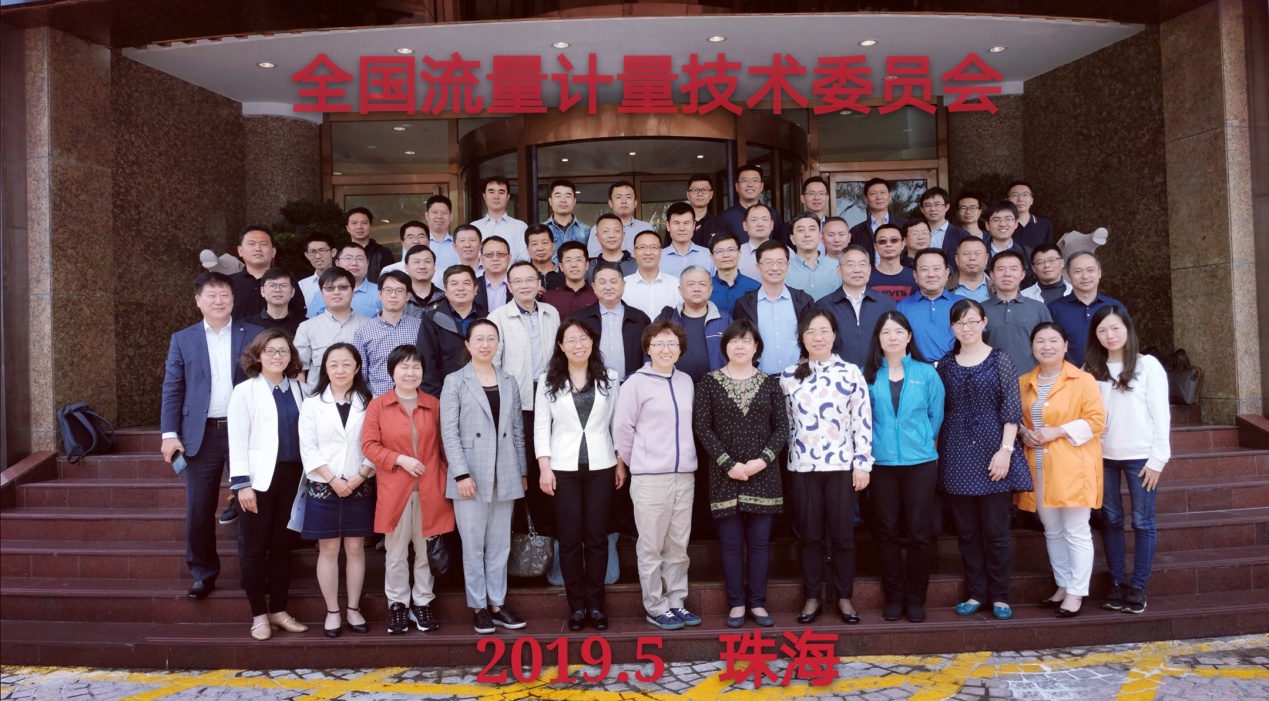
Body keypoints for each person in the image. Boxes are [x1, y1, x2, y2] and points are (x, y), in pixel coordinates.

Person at [161, 272, 265, 599]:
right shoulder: (183, 339)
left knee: (251, 505)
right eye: (211, 295)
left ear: (233, 299)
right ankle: (203, 574)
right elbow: (173, 388)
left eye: (224, 295)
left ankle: (252, 573)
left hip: (245, 434)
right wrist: (169, 434)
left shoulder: (255, 334)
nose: (218, 301)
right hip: (201, 435)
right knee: (199, 510)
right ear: (198, 301)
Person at [936, 299, 1032, 621]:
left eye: (972, 321)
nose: (967, 328)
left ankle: (1000, 595)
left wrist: (1005, 451)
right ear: (952, 327)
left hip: (995, 452)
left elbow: (1011, 408)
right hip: (956, 453)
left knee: (996, 531)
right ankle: (977, 592)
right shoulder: (945, 365)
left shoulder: (1000, 360)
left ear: (984, 323)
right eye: (960, 323)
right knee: (967, 532)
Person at [780, 309, 873, 626]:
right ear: (802, 338)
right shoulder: (789, 376)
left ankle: (844, 596)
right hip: (803, 468)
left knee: (843, 535)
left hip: (842, 466)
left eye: (823, 331)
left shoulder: (851, 372)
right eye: (810, 332)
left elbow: (862, 420)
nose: (817, 337)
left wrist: (862, 463)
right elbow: (785, 424)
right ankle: (812, 596)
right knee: (809, 536)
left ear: (834, 335)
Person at [693, 320, 787, 628]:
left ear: (756, 347)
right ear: (725, 347)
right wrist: (728, 463)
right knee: (730, 542)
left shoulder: (770, 383)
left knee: (759, 542)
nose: (740, 346)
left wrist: (762, 461)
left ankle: (757, 603)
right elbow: (702, 427)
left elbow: (782, 428)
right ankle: (736, 603)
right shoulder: (709, 383)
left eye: (746, 341)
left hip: (764, 474)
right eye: (734, 341)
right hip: (725, 475)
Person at [534, 319, 624, 632]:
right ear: (561, 346)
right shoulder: (548, 380)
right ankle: (576, 607)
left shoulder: (610, 378)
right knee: (570, 538)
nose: (578, 345)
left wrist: (620, 461)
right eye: (570, 340)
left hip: (602, 465)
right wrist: (544, 467)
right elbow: (541, 426)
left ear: (592, 342)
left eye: (583, 338)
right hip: (562, 467)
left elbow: (616, 423)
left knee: (597, 537)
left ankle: (596, 605)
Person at [440, 319, 528, 634]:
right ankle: (479, 607)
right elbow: (449, 432)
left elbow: (517, 430)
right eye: (479, 338)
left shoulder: (508, 381)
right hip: (470, 474)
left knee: (500, 544)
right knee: (473, 545)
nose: (485, 344)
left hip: (505, 471)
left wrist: (522, 471)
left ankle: (497, 604)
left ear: (498, 344)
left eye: (491, 338)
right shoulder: (455, 381)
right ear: (467, 344)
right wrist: (461, 473)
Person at [613, 320, 701, 631]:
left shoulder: (686, 381)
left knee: (678, 545)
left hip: (684, 475)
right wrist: (636, 461)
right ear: (648, 349)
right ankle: (656, 605)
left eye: (672, 343)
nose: (666, 349)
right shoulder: (635, 383)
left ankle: (676, 601)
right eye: (659, 344)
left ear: (680, 349)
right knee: (651, 546)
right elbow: (622, 428)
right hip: (650, 477)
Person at [361, 344, 455, 635]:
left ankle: (422, 602)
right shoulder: (379, 405)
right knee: (396, 552)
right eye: (404, 366)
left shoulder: (433, 404)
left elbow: (445, 447)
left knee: (427, 551)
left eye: (416, 367)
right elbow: (369, 446)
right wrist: (399, 459)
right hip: (395, 490)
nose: (410, 372)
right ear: (392, 371)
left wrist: (443, 476)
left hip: (431, 489)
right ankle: (398, 604)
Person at [1085, 306, 1169, 615]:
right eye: (1102, 330)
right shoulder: (1090, 368)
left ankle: (1138, 587)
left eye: (1115, 328)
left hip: (1141, 458)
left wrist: (1158, 459)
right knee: (1111, 520)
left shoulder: (1148, 366)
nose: (1109, 335)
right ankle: (1117, 583)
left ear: (1128, 329)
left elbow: (1162, 415)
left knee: (1143, 521)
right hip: (1102, 457)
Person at [1018, 322, 1105, 618]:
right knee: (1052, 530)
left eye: (1054, 340)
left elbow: (1096, 422)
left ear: (1066, 346)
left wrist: (1057, 431)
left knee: (1076, 530)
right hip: (1039, 467)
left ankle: (1076, 592)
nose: (1047, 346)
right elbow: (1018, 420)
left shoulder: (1083, 380)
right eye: (1040, 341)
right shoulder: (1024, 382)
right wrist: (1023, 433)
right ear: (1032, 347)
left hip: (1072, 468)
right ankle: (1063, 584)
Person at [226, 328, 308, 640]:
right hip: (258, 482)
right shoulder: (244, 391)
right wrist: (241, 484)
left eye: (283, 351)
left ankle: (279, 611)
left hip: (293, 479)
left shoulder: (301, 390)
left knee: (283, 547)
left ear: (291, 356)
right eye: (270, 350)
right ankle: (259, 615)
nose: (277, 356)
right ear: (258, 355)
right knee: (255, 549)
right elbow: (237, 440)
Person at [862, 311, 944, 623]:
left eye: (899, 331)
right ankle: (894, 597)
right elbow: (861, 419)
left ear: (909, 336)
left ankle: (916, 598)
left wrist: (922, 441)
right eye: (886, 332)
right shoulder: (867, 375)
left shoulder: (926, 373)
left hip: (920, 463)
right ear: (878, 338)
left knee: (919, 532)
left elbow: (936, 416)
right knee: (886, 532)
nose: (893, 337)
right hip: (881, 464)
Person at [298, 343, 376, 638]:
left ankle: (353, 608)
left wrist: (360, 476)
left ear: (357, 368)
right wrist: (333, 480)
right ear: (325, 369)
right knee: (328, 549)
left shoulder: (370, 402)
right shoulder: (312, 404)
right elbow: (308, 448)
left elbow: (377, 443)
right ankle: (333, 611)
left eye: (346, 364)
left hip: (360, 482)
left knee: (355, 548)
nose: (340, 370)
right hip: (324, 485)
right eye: (333, 364)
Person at [490, 260, 562, 540]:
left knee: (551, 462)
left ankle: (549, 533)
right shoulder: (498, 317)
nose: (524, 285)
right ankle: (526, 533)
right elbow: (494, 362)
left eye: (530, 280)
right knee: (524, 467)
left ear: (538, 283)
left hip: (551, 397)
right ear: (509, 286)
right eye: (517, 281)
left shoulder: (551, 313)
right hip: (517, 401)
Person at [732, 240, 816, 375]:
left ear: (788, 265)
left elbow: (813, 338)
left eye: (780, 262)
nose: (775, 268)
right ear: (757, 266)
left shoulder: (803, 301)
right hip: (758, 378)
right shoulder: (744, 304)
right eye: (768, 263)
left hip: (798, 378)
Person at [818, 244, 897, 368]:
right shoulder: (824, 305)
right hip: (838, 374)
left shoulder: (886, 303)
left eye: (862, 264)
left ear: (869, 269)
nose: (857, 270)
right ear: (839, 270)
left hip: (879, 372)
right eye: (850, 265)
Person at [294, 268, 370, 395]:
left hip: (359, 398)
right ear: (321, 293)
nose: (336, 292)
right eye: (329, 288)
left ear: (353, 292)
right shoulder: (307, 327)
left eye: (343, 287)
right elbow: (298, 370)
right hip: (318, 399)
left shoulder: (369, 326)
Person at [571, 263, 651, 381]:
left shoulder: (640, 318)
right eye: (602, 282)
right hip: (591, 385)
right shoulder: (579, 319)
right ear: (593, 287)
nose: (608, 287)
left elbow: (649, 356)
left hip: (632, 385)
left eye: (613, 282)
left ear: (623, 285)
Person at [417, 265, 487, 398]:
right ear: (445, 290)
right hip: (445, 395)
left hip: (484, 394)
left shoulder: (488, 317)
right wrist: (438, 399)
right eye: (454, 284)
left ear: (475, 289)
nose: (460, 288)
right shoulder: (432, 319)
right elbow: (427, 363)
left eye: (466, 283)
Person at [1047, 251, 1123, 367]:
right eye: (1078, 271)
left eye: (1090, 270)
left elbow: (1127, 342)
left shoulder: (1115, 306)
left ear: (1099, 273)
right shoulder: (1054, 309)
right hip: (1068, 375)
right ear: (1068, 276)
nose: (1085, 276)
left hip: (1110, 374)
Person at [353, 271, 422, 398]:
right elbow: (361, 374)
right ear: (380, 294)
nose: (393, 295)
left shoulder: (420, 327)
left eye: (399, 291)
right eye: (388, 290)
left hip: (414, 398)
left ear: (407, 296)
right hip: (378, 399)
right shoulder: (363, 332)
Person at [984, 250, 1053, 375]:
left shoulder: (1038, 308)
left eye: (1013, 269)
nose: (1007, 274)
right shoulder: (979, 310)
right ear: (992, 275)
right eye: (1001, 269)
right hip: (990, 380)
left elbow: (1050, 346)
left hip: (1031, 380)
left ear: (1022, 275)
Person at [654, 267, 729, 381]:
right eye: (691, 284)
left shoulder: (724, 319)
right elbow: (650, 354)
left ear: (710, 289)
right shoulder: (666, 319)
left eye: (702, 284)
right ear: (680, 290)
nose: (696, 289)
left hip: (716, 387)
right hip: (673, 386)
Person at [896, 248, 965, 361]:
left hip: (957, 368)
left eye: (936, 269)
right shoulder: (901, 307)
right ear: (915, 275)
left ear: (946, 273)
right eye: (924, 269)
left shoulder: (964, 304)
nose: (931, 274)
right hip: (916, 369)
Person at [231, 225, 305, 321]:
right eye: (251, 243)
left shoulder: (287, 282)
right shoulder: (228, 283)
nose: (257, 248)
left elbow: (299, 316)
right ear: (240, 251)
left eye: (263, 244)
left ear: (273, 251)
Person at [308, 243, 383, 319]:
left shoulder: (381, 292)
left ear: (367, 263)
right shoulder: (323, 294)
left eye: (360, 259)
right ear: (337, 263)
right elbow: (311, 323)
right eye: (348, 258)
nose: (354, 263)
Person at [622, 230, 682, 320]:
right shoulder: (622, 285)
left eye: (653, 247)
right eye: (642, 247)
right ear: (634, 252)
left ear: (661, 251)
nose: (648, 252)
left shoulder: (676, 285)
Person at [723, 164, 785, 244]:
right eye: (744, 180)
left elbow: (780, 243)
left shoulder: (773, 214)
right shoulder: (725, 217)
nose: (750, 185)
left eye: (755, 180)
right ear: (737, 186)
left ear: (761, 186)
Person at [588, 181, 652, 257]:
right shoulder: (597, 228)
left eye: (628, 197)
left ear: (635, 203)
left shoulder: (646, 228)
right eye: (618, 197)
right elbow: (594, 257)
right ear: (610, 203)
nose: (624, 201)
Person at [785, 213, 840, 301]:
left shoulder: (837, 267)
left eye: (812, 229)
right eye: (801, 230)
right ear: (792, 239)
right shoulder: (784, 269)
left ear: (820, 236)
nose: (807, 234)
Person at [472, 176, 528, 262]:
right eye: (491, 192)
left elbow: (524, 259)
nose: (496, 196)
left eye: (501, 192)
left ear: (508, 197)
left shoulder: (520, 227)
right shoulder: (474, 227)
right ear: (484, 196)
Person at [849, 178, 905, 263]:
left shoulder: (904, 226)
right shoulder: (856, 232)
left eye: (882, 193)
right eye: (873, 194)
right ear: (866, 199)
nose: (879, 197)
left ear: (889, 196)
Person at [708, 231, 760, 315]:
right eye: (719, 251)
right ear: (711, 256)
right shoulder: (704, 288)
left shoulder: (755, 287)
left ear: (739, 253)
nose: (726, 255)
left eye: (731, 250)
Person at [542, 241, 598, 317]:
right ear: (561, 266)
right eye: (568, 260)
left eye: (578, 260)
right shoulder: (549, 298)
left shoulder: (598, 295)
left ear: (587, 265)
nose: (574, 265)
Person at [660, 202, 714, 277]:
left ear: (694, 225)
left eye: (686, 223)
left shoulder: (708, 256)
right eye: (676, 223)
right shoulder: (658, 257)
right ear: (668, 226)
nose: (681, 228)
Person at [868, 224, 919, 302]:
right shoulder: (866, 277)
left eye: (894, 240)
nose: (888, 244)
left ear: (903, 243)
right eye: (882, 241)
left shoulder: (916, 276)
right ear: (875, 246)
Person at [345, 207, 395, 283]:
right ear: (347, 228)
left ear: (371, 227)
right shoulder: (340, 253)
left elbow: (390, 280)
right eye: (354, 223)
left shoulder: (384, 253)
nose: (359, 227)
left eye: (364, 223)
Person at [919, 187, 969, 258]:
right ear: (922, 209)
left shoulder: (961, 235)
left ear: (947, 207)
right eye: (928, 205)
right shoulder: (915, 234)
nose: (933, 209)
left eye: (937, 204)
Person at [586, 212, 638, 280]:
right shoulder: (589, 268)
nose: (611, 235)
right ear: (597, 237)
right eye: (606, 231)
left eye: (616, 230)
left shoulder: (637, 265)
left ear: (623, 235)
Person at [542, 179, 591, 250]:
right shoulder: (542, 230)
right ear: (550, 201)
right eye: (558, 196)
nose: (563, 200)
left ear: (574, 201)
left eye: (568, 196)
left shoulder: (586, 231)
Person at [255, 268, 304, 337]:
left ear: (292, 292)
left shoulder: (305, 325)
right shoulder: (248, 325)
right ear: (262, 291)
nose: (277, 290)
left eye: (283, 285)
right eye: (272, 285)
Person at [1008, 181, 1055, 250]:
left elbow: (1048, 252)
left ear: (1031, 200)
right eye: (1015, 195)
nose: (1020, 199)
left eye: (1025, 194)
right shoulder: (1003, 225)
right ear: (1007, 200)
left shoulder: (1045, 225)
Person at [401, 245, 446, 317]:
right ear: (406, 267)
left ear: (434, 266)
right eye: (416, 262)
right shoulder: (399, 298)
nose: (422, 266)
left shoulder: (445, 298)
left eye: (427, 261)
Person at [686, 174, 730, 247]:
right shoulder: (679, 225)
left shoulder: (721, 224)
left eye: (704, 190)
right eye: (695, 190)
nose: (700, 194)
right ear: (688, 195)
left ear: (711, 194)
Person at [737, 203, 777, 280]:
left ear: (772, 224)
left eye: (764, 219)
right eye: (754, 220)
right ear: (745, 225)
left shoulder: (786, 252)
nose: (760, 224)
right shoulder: (736, 254)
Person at [475, 236, 512, 312]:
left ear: (509, 258)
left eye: (500, 254)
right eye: (489, 254)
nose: (495, 259)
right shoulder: (472, 286)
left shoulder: (520, 285)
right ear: (481, 259)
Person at [423, 195, 460, 272]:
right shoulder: (418, 243)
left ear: (450, 217)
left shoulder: (460, 244)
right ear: (427, 216)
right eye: (435, 212)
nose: (439, 216)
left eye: (444, 213)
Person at [299, 234, 336, 308]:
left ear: (333, 252)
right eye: (312, 252)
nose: (317, 256)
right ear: (307, 255)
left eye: (322, 250)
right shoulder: (301, 286)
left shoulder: (346, 282)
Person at [525, 224, 566, 291]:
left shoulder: (565, 274)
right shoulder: (521, 276)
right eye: (534, 244)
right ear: (528, 250)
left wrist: (548, 295)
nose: (540, 248)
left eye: (544, 243)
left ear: (553, 246)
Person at [952, 237, 991, 302]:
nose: (972, 258)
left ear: (986, 258)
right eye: (966, 253)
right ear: (957, 259)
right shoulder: (944, 287)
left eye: (977, 253)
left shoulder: (997, 287)